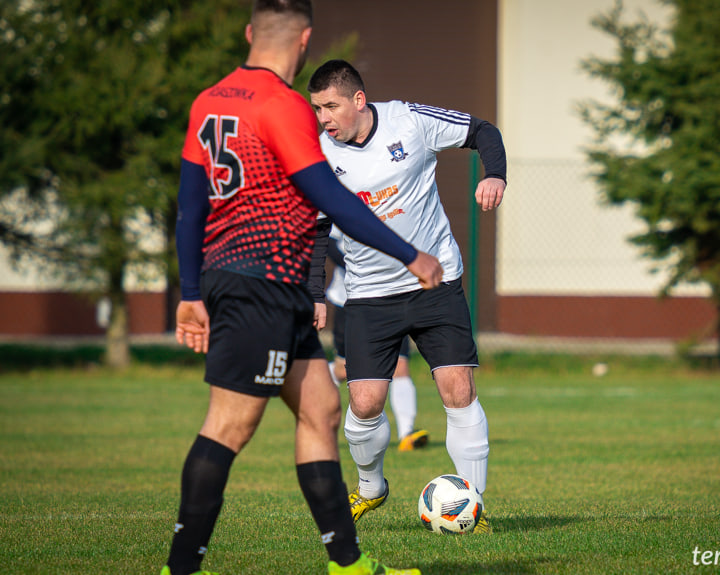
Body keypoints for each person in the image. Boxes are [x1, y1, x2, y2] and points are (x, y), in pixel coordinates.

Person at [166, 2, 442, 574]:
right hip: (259, 282)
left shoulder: (207, 101)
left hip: (257, 283)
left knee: (320, 408)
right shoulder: (284, 106)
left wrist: (190, 290)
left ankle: (349, 566)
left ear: (249, 34)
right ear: (306, 39)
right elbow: (330, 197)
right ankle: (180, 568)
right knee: (228, 425)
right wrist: (408, 252)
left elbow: (189, 209)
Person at [307, 59, 506, 533]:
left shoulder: (409, 121)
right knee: (366, 403)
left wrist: (495, 174)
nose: (324, 118)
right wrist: (315, 291)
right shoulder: (318, 155)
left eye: (331, 106)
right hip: (369, 294)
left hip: (435, 281)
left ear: (358, 100)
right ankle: (371, 486)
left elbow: (483, 130)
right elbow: (313, 229)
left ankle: (472, 509)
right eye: (317, 109)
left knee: (458, 389)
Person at [326, 225, 429, 452]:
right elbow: (327, 241)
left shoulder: (395, 195)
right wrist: (361, 267)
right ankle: (318, 376)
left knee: (400, 365)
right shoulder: (343, 192)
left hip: (392, 297)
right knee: (344, 368)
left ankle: (407, 433)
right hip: (350, 299)